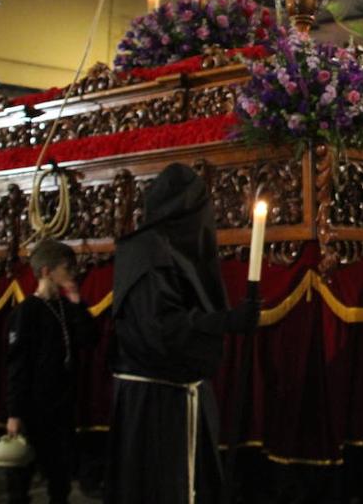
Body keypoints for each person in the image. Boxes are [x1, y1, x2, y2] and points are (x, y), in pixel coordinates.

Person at [106, 163, 259, 504]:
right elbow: (160, 331)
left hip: (182, 395)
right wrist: (225, 322)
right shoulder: (147, 250)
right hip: (156, 403)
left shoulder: (169, 248)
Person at [4, 239, 95, 504]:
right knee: (21, 480)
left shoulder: (67, 308)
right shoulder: (27, 312)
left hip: (61, 404)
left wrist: (77, 301)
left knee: (60, 478)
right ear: (46, 271)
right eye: (66, 268)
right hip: (33, 406)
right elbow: (17, 365)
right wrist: (14, 412)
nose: (73, 273)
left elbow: (89, 339)